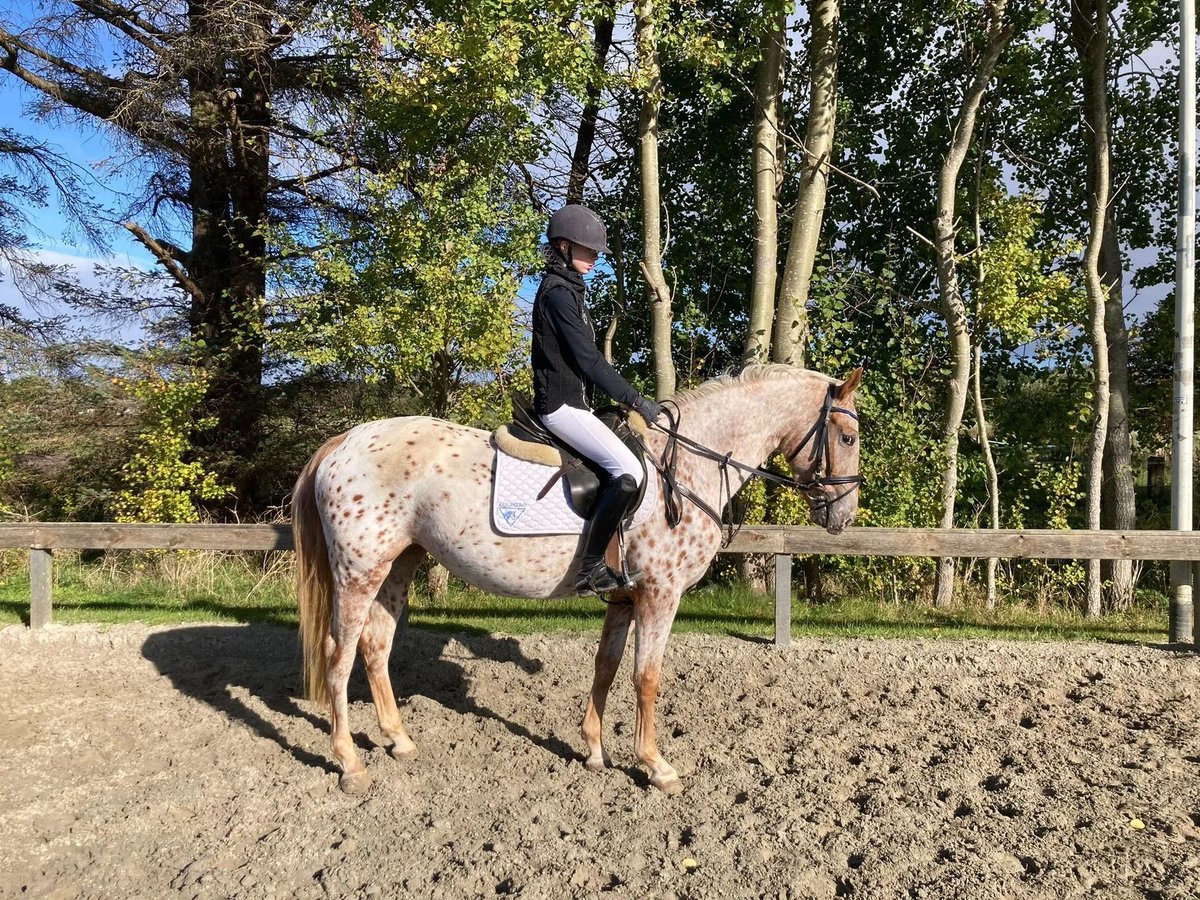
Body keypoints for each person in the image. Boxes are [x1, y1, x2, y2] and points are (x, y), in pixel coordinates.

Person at [531, 204, 662, 594]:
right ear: (563, 247)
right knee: (629, 473)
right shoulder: (557, 295)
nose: (594, 258)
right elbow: (588, 360)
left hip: (576, 404)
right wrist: (636, 400)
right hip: (560, 407)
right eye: (587, 250)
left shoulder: (569, 290)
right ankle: (589, 570)